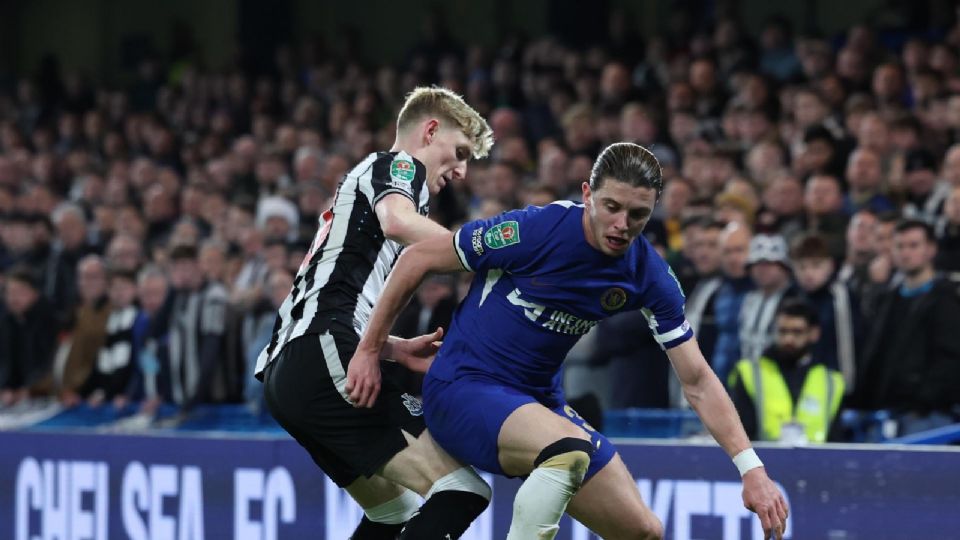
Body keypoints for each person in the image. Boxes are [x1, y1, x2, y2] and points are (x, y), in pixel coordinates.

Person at [350, 143, 788, 539]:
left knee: (644, 532)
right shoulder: (536, 230)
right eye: (611, 206)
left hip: (539, 406)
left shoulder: (648, 274)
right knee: (569, 449)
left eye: (637, 215)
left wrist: (751, 469)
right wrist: (371, 350)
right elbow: (419, 255)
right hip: (463, 387)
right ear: (587, 194)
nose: (621, 225)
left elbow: (697, 380)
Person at [254, 87, 495, 539]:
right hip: (322, 353)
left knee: (395, 513)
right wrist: (485, 252)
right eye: (460, 152)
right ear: (429, 131)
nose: (462, 171)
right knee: (462, 488)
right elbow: (399, 224)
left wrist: (390, 348)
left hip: (298, 368)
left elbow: (335, 288)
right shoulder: (396, 165)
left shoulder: (380, 185)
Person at [854, 219, 960, 436]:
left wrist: (924, 402)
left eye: (913, 246)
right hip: (883, 414)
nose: (905, 253)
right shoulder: (888, 298)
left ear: (931, 249)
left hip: (927, 417)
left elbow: (950, 358)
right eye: (900, 246)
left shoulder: (947, 298)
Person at [728, 299, 845, 443]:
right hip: (762, 459)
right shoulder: (749, 373)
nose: (788, 339)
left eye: (797, 332)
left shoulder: (832, 381)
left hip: (817, 461)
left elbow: (835, 439)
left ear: (814, 333)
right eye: (783, 331)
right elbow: (740, 431)